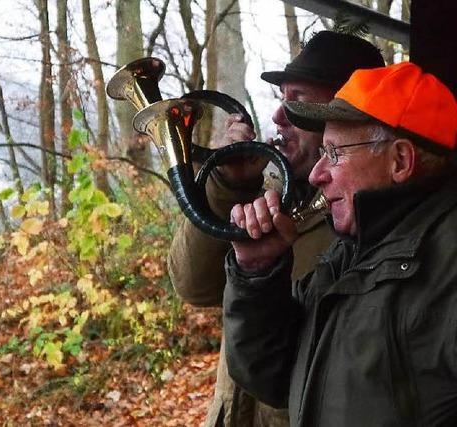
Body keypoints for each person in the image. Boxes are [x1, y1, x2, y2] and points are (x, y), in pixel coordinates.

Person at [167, 31, 384, 427]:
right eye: (282, 99)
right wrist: (227, 186)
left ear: (346, 112)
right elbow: (193, 286)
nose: (278, 117)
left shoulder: (364, 219)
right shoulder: (270, 193)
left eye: (298, 101)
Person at [224, 62, 457, 426]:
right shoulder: (350, 251)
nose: (317, 175)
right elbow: (273, 378)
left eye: (333, 154)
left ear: (400, 160)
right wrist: (258, 275)